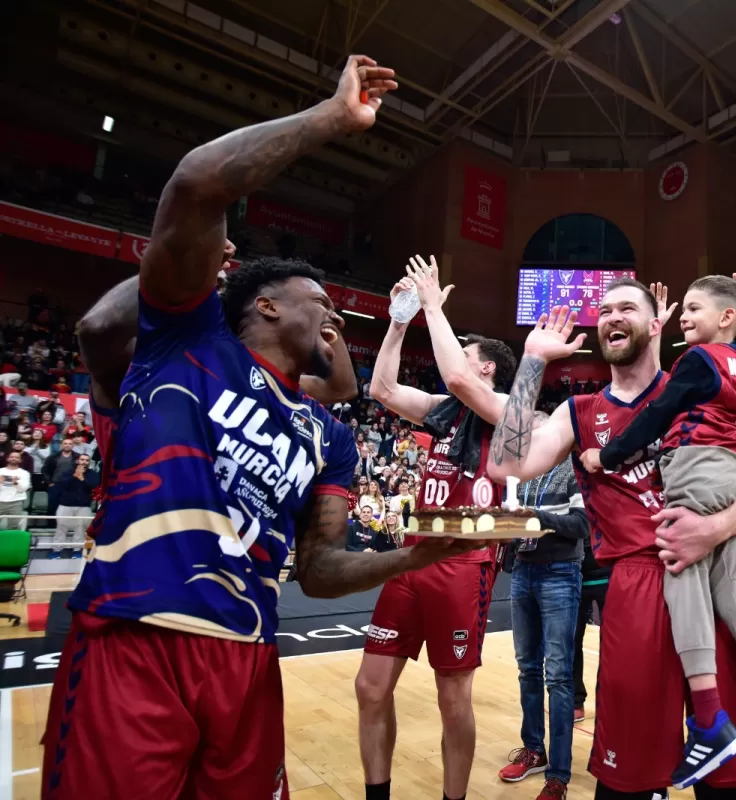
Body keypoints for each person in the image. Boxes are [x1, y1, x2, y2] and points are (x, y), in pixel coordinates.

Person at [41, 56, 488, 799]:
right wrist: (332, 118)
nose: (336, 317)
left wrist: (411, 558)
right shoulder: (190, 338)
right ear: (269, 305)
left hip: (249, 657)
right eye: (323, 303)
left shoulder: (328, 437)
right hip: (136, 636)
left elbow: (320, 569)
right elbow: (195, 184)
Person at [489, 280, 736, 800]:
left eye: (627, 307)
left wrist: (712, 530)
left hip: (715, 568)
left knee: (725, 783)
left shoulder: (700, 383)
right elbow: (505, 465)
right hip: (637, 583)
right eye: (605, 310)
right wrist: (533, 360)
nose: (612, 316)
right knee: (626, 780)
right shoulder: (580, 411)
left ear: (656, 325)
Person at [579, 276, 736, 793]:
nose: (685, 317)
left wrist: (607, 455)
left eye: (694, 308)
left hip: (694, 478)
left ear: (727, 318)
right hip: (730, 484)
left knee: (680, 568)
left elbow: (656, 415)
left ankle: (711, 719)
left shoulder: (696, 362)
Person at [358, 259, 517, 800]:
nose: (455, 358)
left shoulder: (507, 410)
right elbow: (382, 388)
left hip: (462, 562)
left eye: (467, 353)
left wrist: (432, 305)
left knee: (453, 698)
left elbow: (457, 377)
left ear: (487, 368)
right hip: (413, 556)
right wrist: (399, 321)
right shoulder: (445, 410)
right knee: (370, 686)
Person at [499, 410, 590, 799]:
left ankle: (559, 775)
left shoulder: (572, 471)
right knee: (527, 669)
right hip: (524, 571)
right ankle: (534, 749)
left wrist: (536, 516)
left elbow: (582, 525)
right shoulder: (523, 476)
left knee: (558, 676)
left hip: (559, 574)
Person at [573, 534, 609, 723]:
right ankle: (575, 701)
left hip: (609, 574)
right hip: (573, 575)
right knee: (571, 643)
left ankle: (609, 701)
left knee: (613, 646)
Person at [50, 453, 97, 559]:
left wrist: (82, 478)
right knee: (61, 527)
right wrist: (74, 476)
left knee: (80, 528)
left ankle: (77, 550)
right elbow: (62, 484)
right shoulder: (68, 472)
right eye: (82, 459)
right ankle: (56, 550)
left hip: (84, 506)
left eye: (86, 460)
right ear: (77, 461)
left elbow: (93, 485)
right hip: (65, 504)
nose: (84, 462)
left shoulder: (92, 474)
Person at [0, 452, 30, 531]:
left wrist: (15, 482)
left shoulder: (24, 473)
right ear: (7, 459)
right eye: (12, 457)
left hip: (15, 502)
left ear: (20, 460)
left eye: (16, 457)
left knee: (14, 527)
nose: (14, 458)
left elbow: (23, 489)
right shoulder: (0, 471)